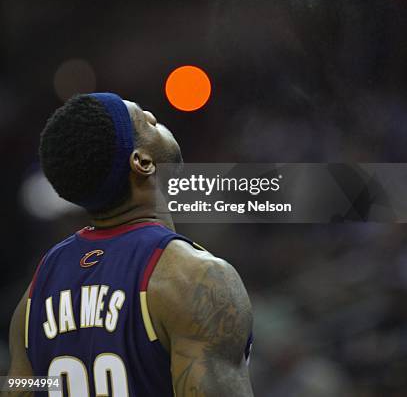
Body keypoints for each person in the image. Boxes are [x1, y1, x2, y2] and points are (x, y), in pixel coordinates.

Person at [8, 93, 254, 396]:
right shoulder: (194, 277)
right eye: (145, 120)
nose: (153, 116)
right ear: (142, 161)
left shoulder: (35, 294)